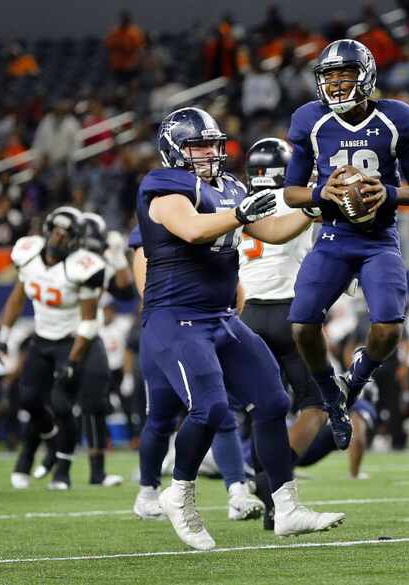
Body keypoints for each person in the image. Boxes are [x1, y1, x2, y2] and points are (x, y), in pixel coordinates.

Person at [136, 106, 343, 550]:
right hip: (175, 317)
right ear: (175, 150)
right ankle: (180, 493)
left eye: (213, 143)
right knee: (209, 409)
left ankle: (285, 506)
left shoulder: (230, 186)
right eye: (198, 145)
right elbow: (191, 229)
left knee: (272, 399)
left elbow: (270, 230)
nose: (209, 152)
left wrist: (313, 210)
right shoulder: (164, 186)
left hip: (221, 317)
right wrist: (239, 215)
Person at [283, 39, 409, 450]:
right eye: (328, 76)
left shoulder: (396, 119)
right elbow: (291, 191)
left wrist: (387, 192)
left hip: (377, 239)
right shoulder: (311, 121)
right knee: (302, 324)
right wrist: (321, 194)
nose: (335, 83)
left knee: (387, 328)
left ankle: (357, 378)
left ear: (365, 75)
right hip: (332, 235)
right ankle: (330, 393)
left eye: (344, 74)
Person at [128, 225, 265, 523]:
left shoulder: (207, 216)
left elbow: (225, 270)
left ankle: (238, 492)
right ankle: (148, 493)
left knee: (221, 409)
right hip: (168, 329)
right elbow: (143, 269)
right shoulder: (162, 214)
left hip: (206, 327)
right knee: (161, 416)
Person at [236, 137, 324, 529]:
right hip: (292, 312)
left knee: (264, 412)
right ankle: (275, 479)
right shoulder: (297, 200)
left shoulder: (236, 205)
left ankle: (267, 496)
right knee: (316, 403)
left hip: (249, 313)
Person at [0, 207, 107, 490]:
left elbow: (89, 323)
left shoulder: (85, 266)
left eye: (67, 235)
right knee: (29, 399)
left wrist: (74, 361)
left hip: (70, 341)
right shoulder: (28, 255)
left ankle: (63, 470)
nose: (61, 239)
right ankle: (51, 439)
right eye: (57, 232)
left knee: (62, 404)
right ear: (47, 231)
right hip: (42, 339)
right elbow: (17, 298)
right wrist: (2, 334)